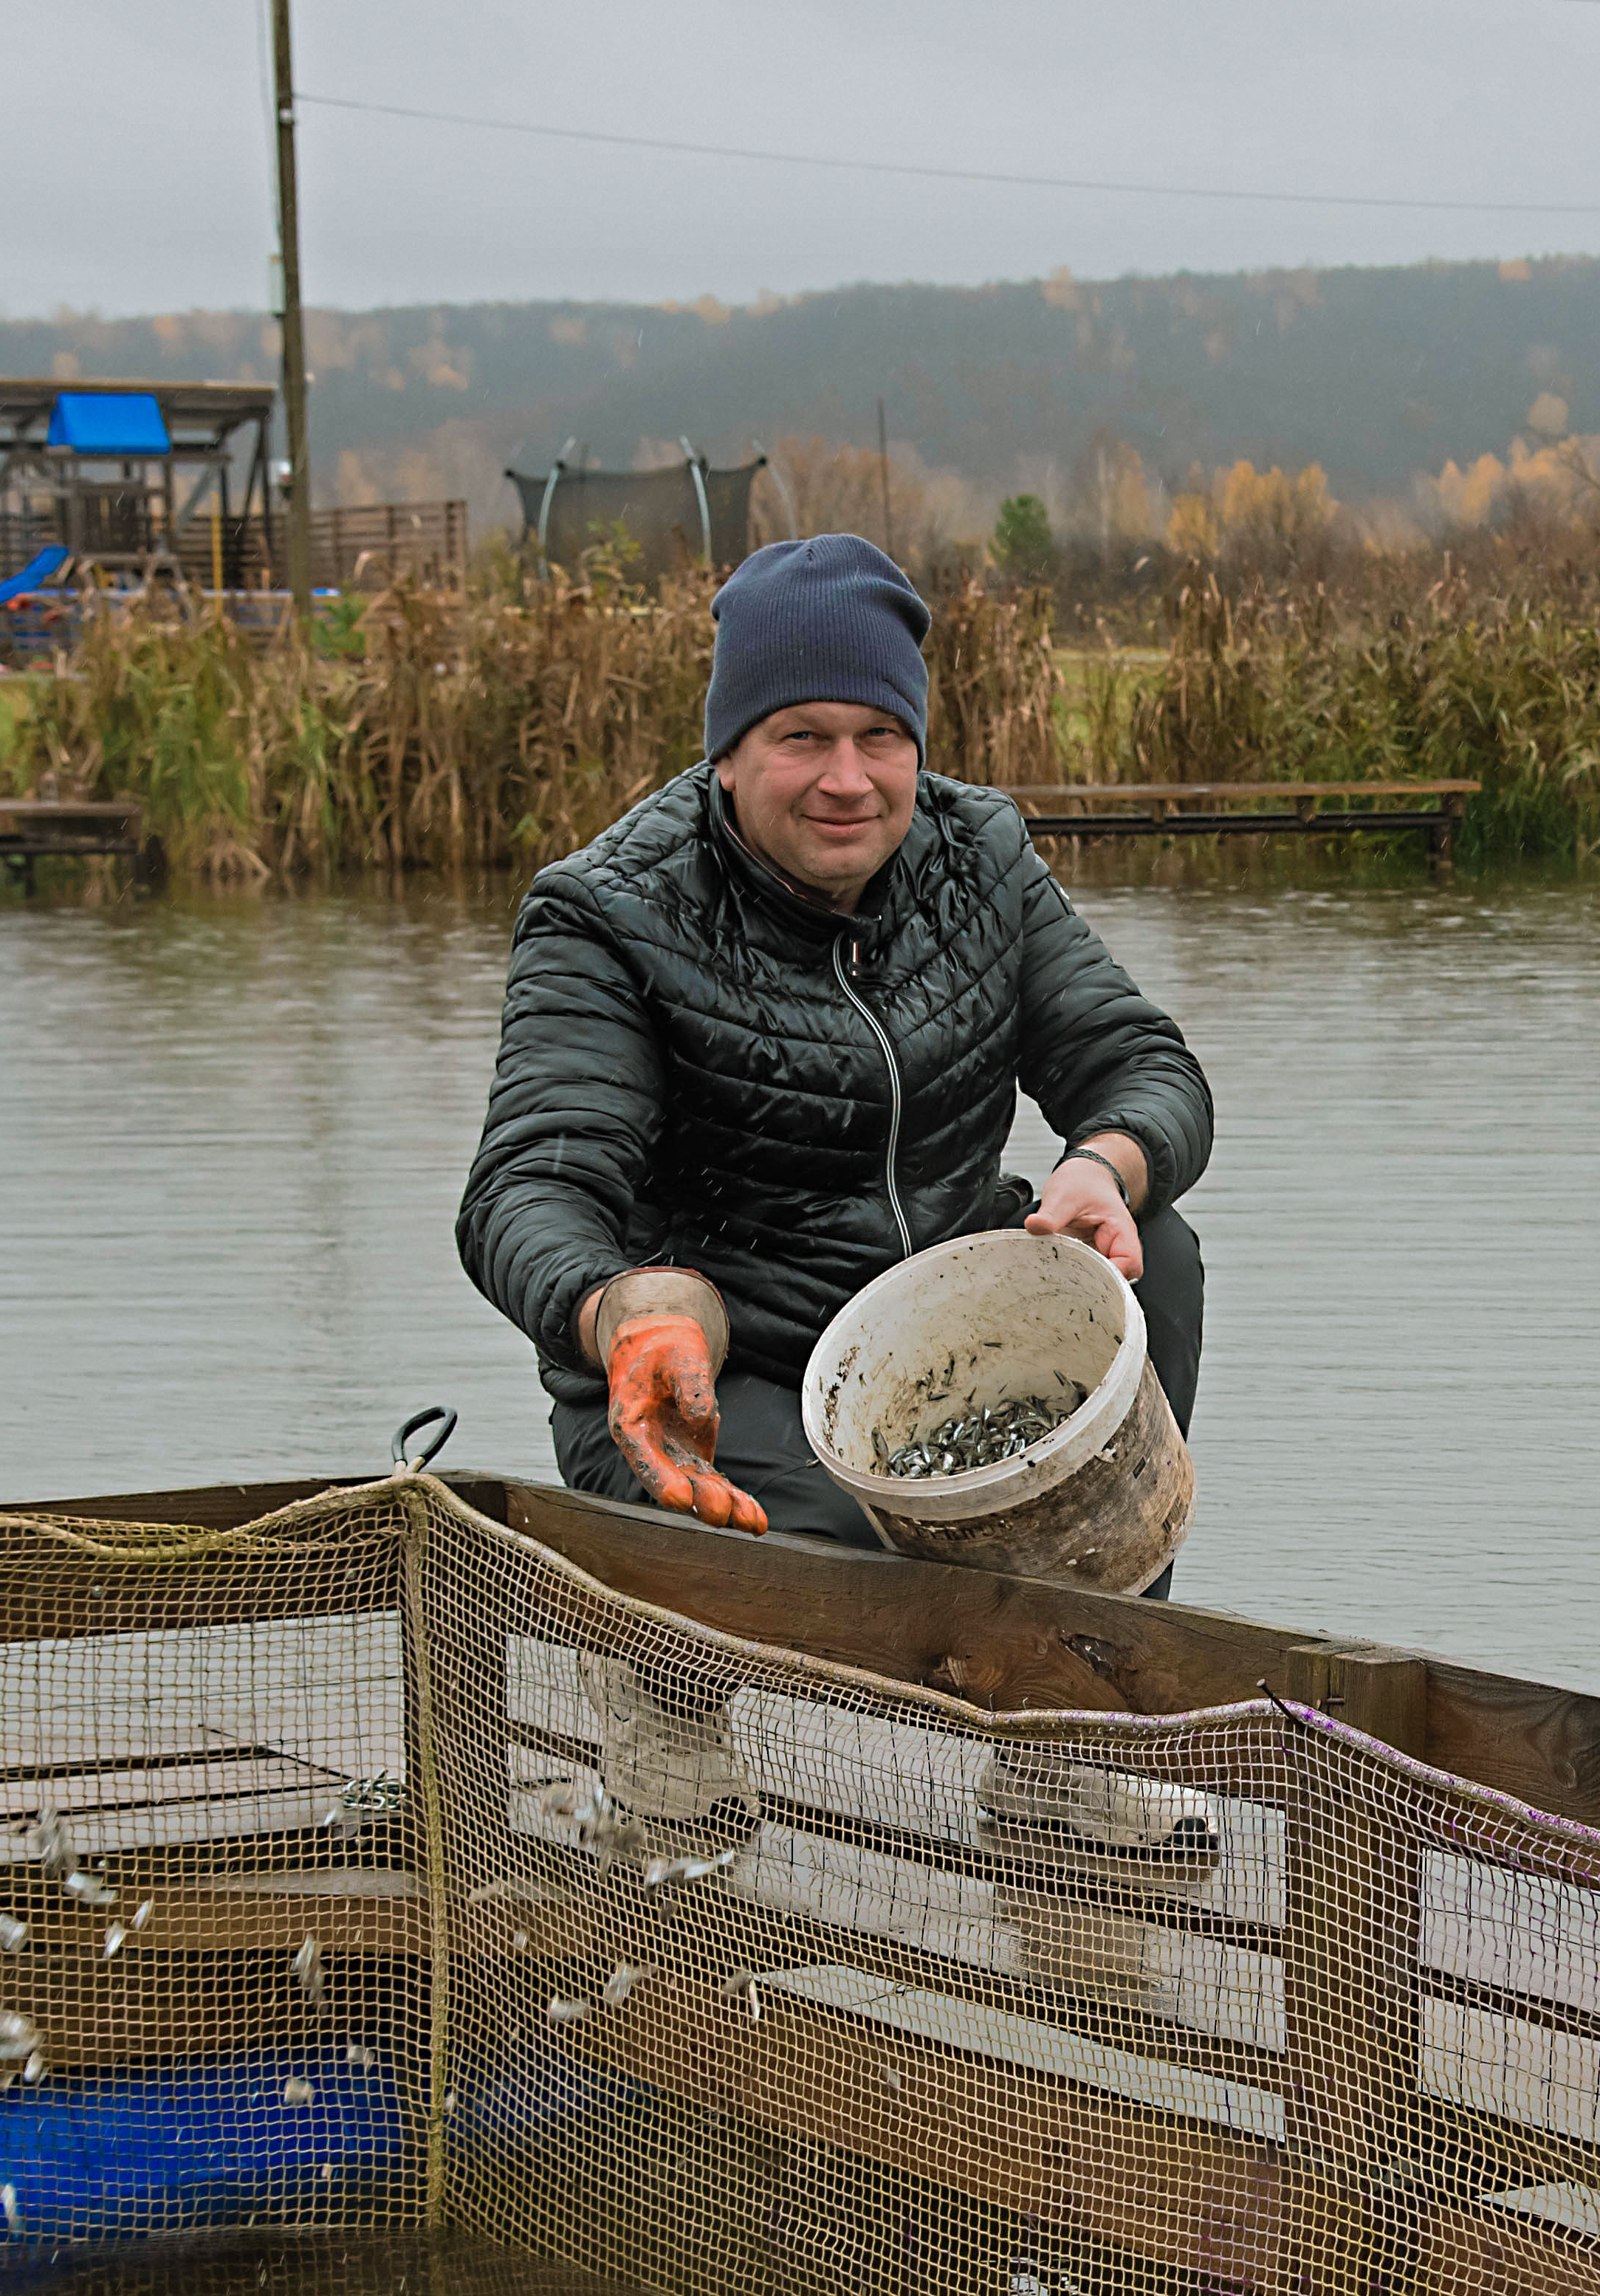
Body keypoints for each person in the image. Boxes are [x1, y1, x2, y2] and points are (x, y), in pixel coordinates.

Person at [457, 532, 1214, 1564]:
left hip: (934, 1339)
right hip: (723, 1376)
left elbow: (1142, 1066)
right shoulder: (605, 915)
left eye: (879, 735)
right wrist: (627, 1310)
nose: (848, 779)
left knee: (1149, 1249)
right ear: (727, 755)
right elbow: (525, 1191)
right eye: (801, 738)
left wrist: (1100, 1163)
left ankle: (1098, 1662)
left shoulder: (979, 857)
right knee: (845, 1576)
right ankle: (665, 1691)